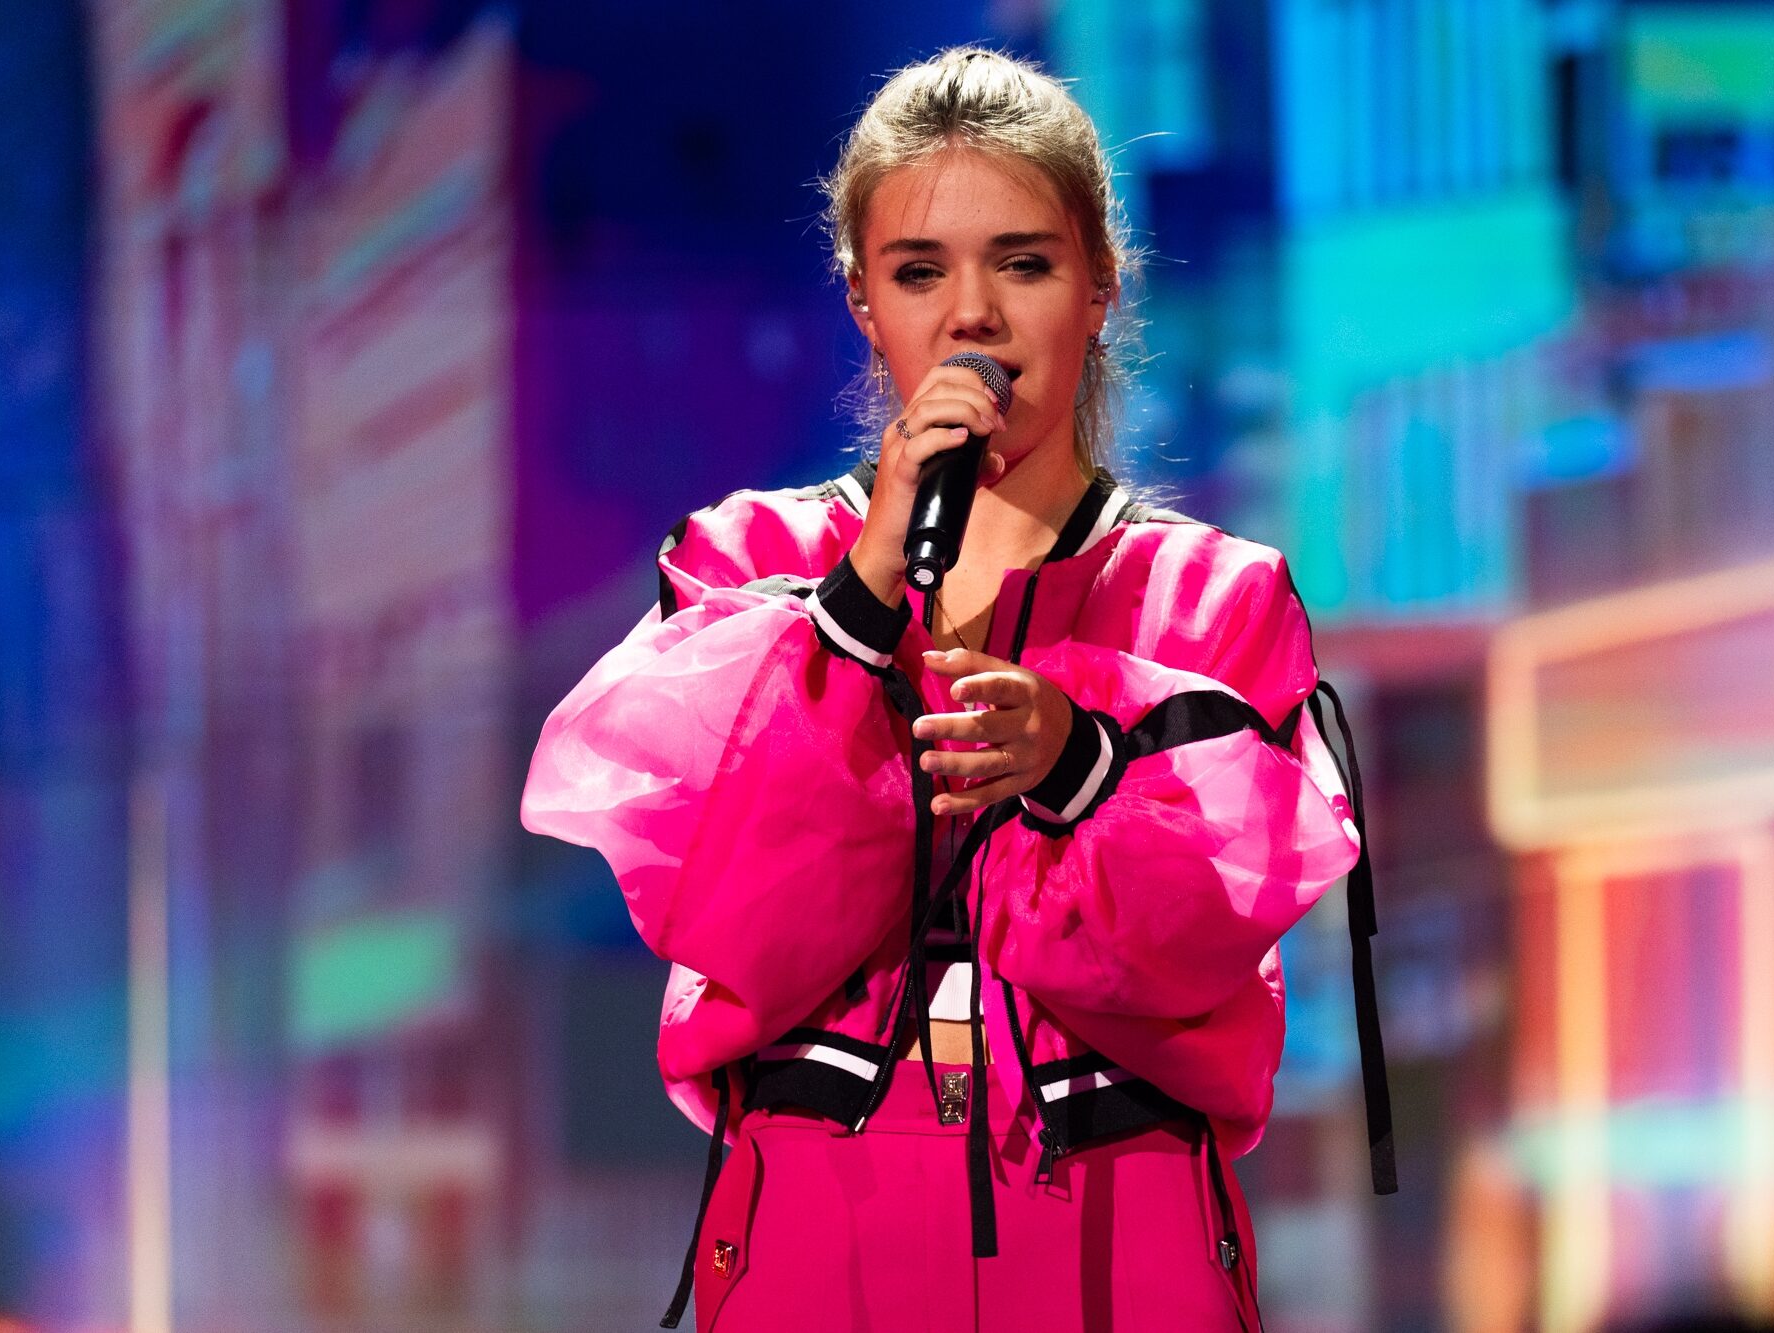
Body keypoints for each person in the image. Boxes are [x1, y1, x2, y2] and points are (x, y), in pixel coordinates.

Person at [520, 45, 1392, 1333]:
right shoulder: (745, 569)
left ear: (1100, 286)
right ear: (865, 302)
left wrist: (1080, 767)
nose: (971, 316)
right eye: (920, 271)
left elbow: (1200, 945)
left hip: (1118, 1210)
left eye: (1024, 264)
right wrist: (860, 602)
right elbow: (734, 917)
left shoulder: (1216, 600)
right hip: (819, 1213)